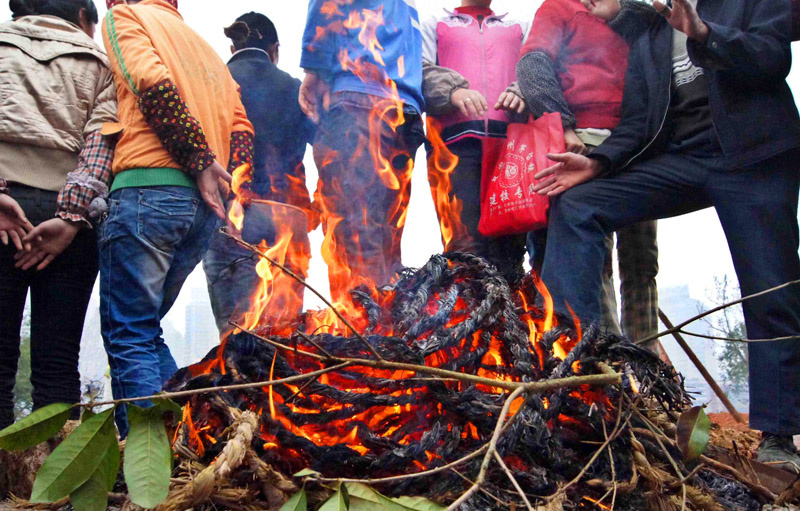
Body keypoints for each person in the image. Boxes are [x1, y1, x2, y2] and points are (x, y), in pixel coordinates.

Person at [533, 0, 800, 469]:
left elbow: (772, 57)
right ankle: (573, 376)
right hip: (687, 159)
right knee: (578, 203)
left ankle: (778, 437)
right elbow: (639, 120)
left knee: (771, 289)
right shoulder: (650, 30)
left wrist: (703, 33)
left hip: (755, 159)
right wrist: (598, 162)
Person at [100, 0, 253, 435]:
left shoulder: (125, 18)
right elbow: (242, 129)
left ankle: (151, 464)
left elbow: (147, 79)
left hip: (149, 190)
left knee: (129, 333)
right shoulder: (204, 47)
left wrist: (198, 158)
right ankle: (189, 437)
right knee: (145, 331)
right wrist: (227, 190)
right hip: (201, 210)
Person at [0, 0, 117, 430]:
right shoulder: (99, 60)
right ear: (83, 17)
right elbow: (101, 145)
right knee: (56, 362)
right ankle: (55, 489)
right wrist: (69, 218)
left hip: (3, 205)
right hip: (67, 223)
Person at [518, 0, 660, 345]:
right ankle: (607, 349)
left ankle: (645, 350)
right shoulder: (559, 8)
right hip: (582, 142)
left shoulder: (637, 18)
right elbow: (534, 64)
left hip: (635, 145)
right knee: (593, 255)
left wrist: (623, 14)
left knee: (642, 257)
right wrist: (562, 125)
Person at [299, 0, 425, 305]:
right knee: (386, 237)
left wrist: (314, 73)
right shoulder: (405, 7)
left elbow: (326, 9)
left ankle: (362, 331)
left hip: (359, 104)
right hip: (404, 115)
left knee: (354, 230)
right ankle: (388, 328)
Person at [203, 12, 315, 336]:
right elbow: (327, 146)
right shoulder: (294, 88)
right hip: (289, 217)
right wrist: (321, 201)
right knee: (285, 337)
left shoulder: (217, 83)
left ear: (233, 45)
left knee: (235, 337)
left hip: (232, 215)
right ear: (275, 48)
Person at [421, 0, 529, 282]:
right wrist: (452, 91)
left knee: (510, 249)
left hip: (511, 148)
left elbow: (537, 68)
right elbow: (416, 67)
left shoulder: (518, 25)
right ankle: (469, 320)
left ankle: (511, 320)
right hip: (452, 147)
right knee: (464, 246)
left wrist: (522, 90)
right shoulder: (436, 21)